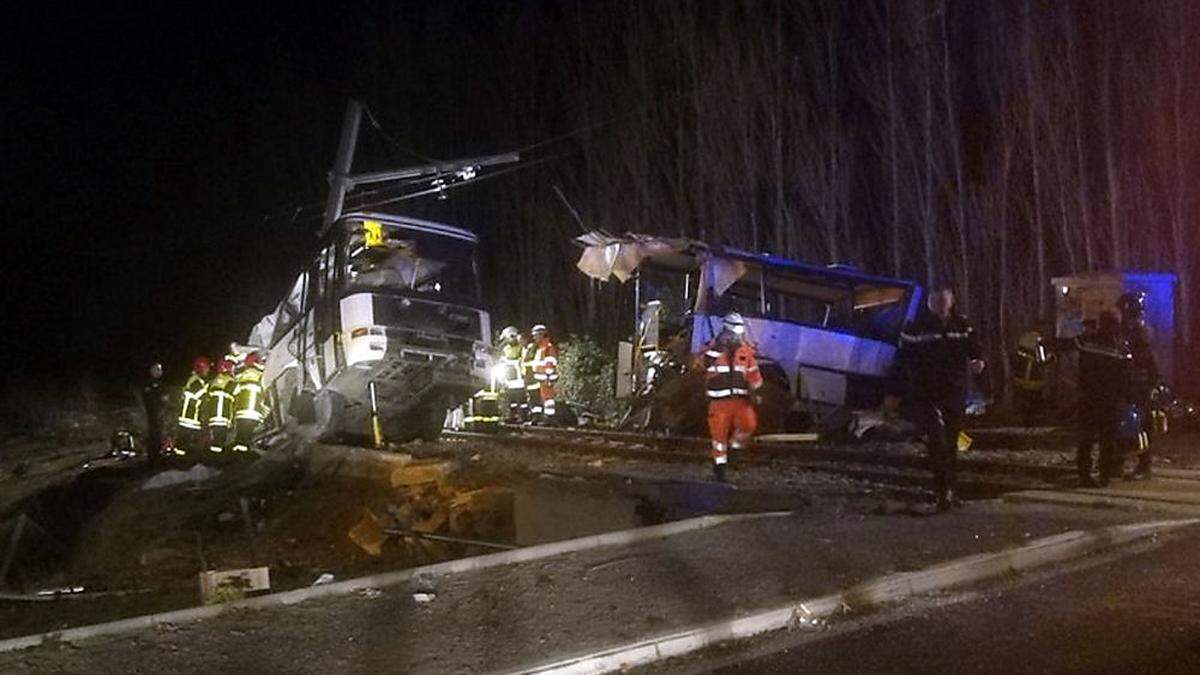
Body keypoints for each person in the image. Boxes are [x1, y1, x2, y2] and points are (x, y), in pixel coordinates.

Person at [892, 288, 985, 511]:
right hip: (926, 392)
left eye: (944, 300)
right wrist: (894, 392)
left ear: (951, 301)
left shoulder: (962, 325)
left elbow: (975, 350)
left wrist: (978, 362)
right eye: (936, 300)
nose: (940, 304)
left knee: (952, 443)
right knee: (937, 440)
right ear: (929, 304)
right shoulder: (917, 327)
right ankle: (942, 491)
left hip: (954, 390)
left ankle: (950, 491)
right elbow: (902, 360)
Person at [698, 312, 763, 482]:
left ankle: (734, 450)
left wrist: (757, 392)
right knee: (719, 437)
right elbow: (701, 364)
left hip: (741, 401)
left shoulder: (745, 352)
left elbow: (753, 373)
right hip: (719, 402)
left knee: (748, 425)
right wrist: (717, 349)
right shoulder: (714, 349)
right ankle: (720, 468)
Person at [1073, 311, 1132, 487]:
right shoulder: (1120, 347)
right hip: (1109, 400)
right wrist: (1125, 396)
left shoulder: (1087, 342)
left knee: (1087, 438)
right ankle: (1104, 475)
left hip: (1089, 397)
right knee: (1108, 439)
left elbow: (1080, 365)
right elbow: (1125, 375)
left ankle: (1084, 474)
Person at [1117, 292, 1160, 479]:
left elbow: (1141, 361)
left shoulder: (1137, 332)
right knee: (1131, 423)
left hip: (1137, 385)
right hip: (1136, 384)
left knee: (1138, 424)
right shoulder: (1137, 329)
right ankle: (1125, 461)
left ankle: (1143, 464)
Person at [231, 351, 269, 456]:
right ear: (256, 362)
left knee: (241, 436)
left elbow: (234, 391)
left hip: (240, 413)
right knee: (248, 436)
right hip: (253, 412)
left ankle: (236, 456)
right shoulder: (261, 374)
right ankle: (244, 457)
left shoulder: (242, 375)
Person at [176, 357, 211, 456]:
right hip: (189, 416)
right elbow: (199, 395)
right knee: (185, 440)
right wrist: (207, 389)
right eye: (206, 368)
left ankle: (181, 458)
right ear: (201, 368)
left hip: (191, 415)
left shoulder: (196, 380)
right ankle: (180, 460)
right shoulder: (195, 381)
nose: (208, 371)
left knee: (186, 440)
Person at [202, 358, 236, 457]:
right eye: (231, 367)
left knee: (216, 439)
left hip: (214, 416)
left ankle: (213, 458)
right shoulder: (229, 380)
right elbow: (238, 393)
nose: (232, 370)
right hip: (222, 416)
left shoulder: (215, 381)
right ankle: (216, 460)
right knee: (219, 440)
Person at [529, 325, 560, 423]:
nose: (534, 338)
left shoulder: (548, 348)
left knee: (548, 399)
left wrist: (548, 378)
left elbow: (550, 364)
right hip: (540, 379)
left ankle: (549, 418)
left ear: (541, 335)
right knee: (539, 399)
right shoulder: (540, 348)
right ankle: (538, 418)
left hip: (546, 379)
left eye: (536, 335)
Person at [497, 326, 528, 422]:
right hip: (509, 377)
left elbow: (521, 359)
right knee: (512, 399)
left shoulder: (521, 348)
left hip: (519, 376)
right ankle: (513, 416)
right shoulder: (506, 349)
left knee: (522, 399)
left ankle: (524, 416)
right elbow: (503, 360)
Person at [140, 362, 168, 465]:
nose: (159, 372)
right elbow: (148, 397)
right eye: (157, 369)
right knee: (154, 433)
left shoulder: (160, 383)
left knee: (158, 433)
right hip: (152, 412)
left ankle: (157, 454)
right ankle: (153, 456)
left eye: (160, 370)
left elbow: (164, 397)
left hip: (159, 412)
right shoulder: (149, 383)